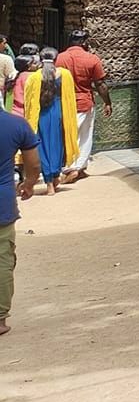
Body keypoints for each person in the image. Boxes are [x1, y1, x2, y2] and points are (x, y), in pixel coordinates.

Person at [0, 103, 40, 336]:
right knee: (2, 261)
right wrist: (29, 184)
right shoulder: (16, 125)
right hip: (2, 205)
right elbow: (33, 164)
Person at [19, 49, 77, 195]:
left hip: (41, 116)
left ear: (40, 59)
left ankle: (49, 182)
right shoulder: (64, 75)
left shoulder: (34, 77)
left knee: (43, 148)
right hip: (59, 114)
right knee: (57, 146)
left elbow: (29, 101)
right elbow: (69, 98)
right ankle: (56, 176)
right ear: (56, 59)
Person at [53, 30, 108, 182]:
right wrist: (107, 102)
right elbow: (100, 84)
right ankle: (77, 167)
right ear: (84, 42)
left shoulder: (59, 58)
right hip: (85, 102)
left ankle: (74, 167)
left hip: (64, 103)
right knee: (85, 135)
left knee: (69, 134)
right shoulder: (92, 59)